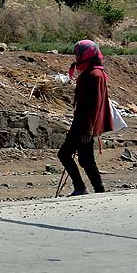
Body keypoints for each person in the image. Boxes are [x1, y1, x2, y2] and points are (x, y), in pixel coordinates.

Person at [58, 39, 112, 195]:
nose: (76, 57)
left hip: (84, 125)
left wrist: (88, 130)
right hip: (82, 123)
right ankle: (97, 189)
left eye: (79, 54)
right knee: (85, 159)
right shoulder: (91, 73)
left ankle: (81, 187)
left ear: (86, 55)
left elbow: (93, 106)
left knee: (65, 154)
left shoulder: (94, 75)